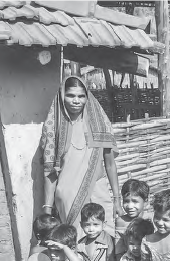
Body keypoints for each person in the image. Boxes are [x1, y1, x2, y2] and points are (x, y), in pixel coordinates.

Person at [40, 76, 123, 239]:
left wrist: (117, 199)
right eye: (70, 95)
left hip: (98, 192)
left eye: (81, 96)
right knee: (75, 241)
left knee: (106, 239)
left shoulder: (99, 124)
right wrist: (47, 210)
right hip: (68, 197)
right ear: (62, 96)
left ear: (87, 97)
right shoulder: (53, 128)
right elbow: (50, 172)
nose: (76, 101)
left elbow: (110, 165)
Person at [115, 179, 150, 261]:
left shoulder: (150, 219)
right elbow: (118, 250)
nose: (130, 206)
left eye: (135, 201)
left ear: (146, 202)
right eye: (126, 201)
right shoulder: (121, 222)